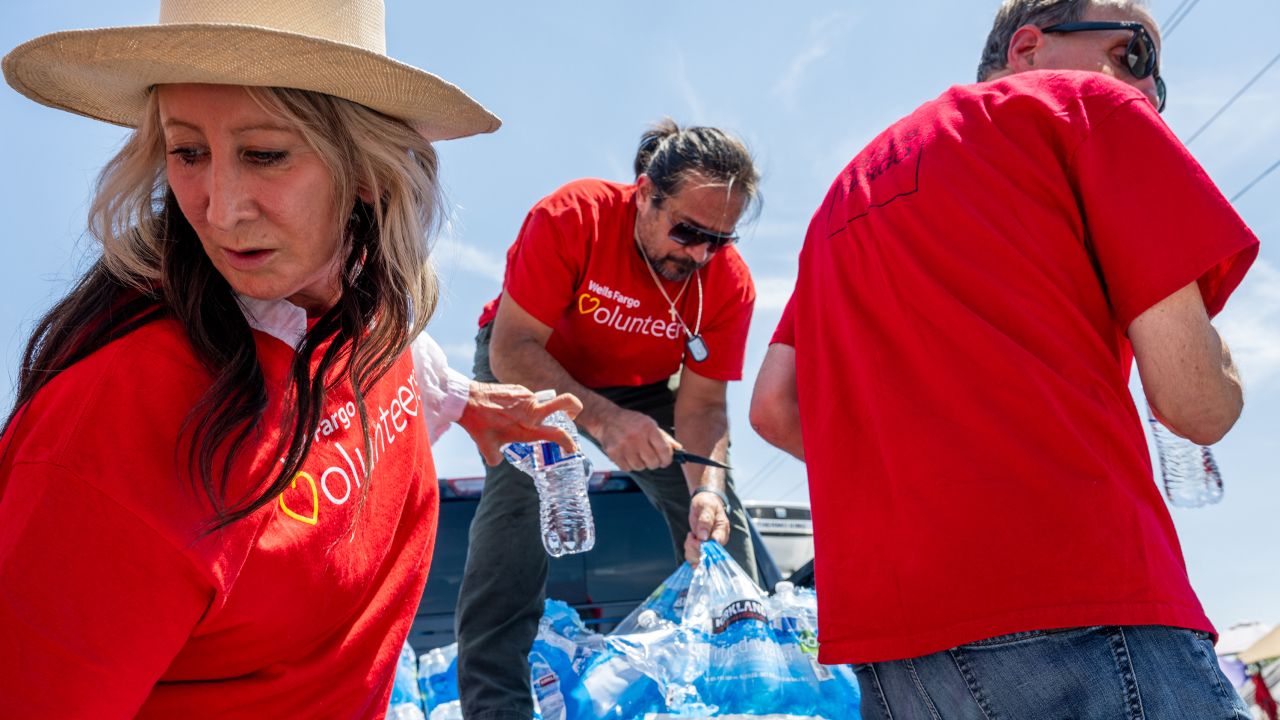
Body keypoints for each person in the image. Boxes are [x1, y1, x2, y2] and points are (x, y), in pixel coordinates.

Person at [0, 1, 582, 716]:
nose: (220, 209)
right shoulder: (108, 434)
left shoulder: (360, 310)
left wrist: (467, 399)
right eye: (187, 152)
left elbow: (391, 366)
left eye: (265, 154)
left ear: (366, 170)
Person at [750, 0, 1259, 717]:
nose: (1148, 96)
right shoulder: (1084, 105)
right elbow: (1198, 404)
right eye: (1134, 56)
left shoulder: (843, 194)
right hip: (1084, 604)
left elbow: (774, 409)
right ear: (1027, 47)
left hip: (894, 652)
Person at [455, 120, 761, 719]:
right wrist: (603, 420)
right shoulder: (573, 216)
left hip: (643, 387)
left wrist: (710, 491)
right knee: (515, 522)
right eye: (687, 231)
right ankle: (498, 710)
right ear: (645, 193)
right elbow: (513, 348)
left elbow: (701, 407)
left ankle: (743, 697)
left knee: (721, 530)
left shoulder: (727, 284)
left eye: (718, 240)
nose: (699, 253)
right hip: (533, 367)